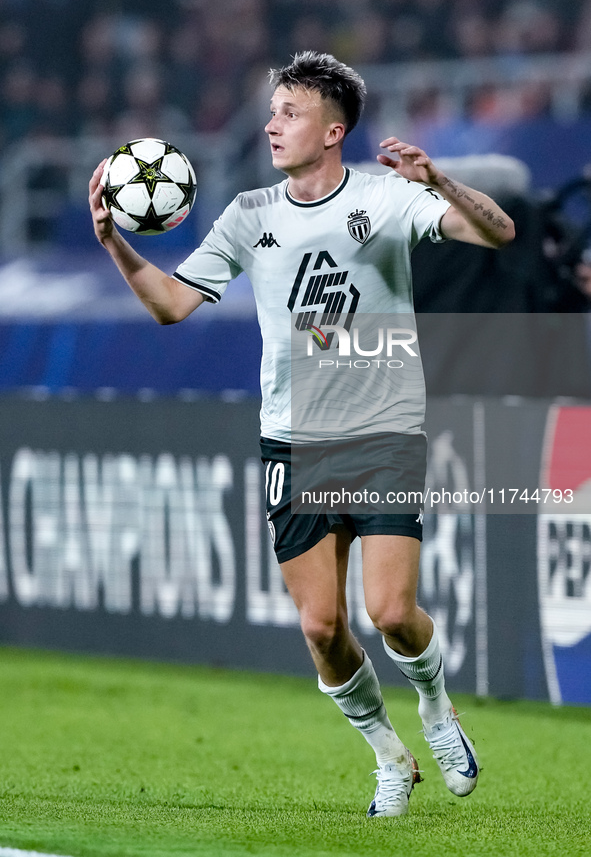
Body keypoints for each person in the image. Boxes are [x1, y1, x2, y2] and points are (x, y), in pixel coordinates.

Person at [88, 51, 515, 818]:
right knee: (321, 626)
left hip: (383, 429)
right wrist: (117, 245)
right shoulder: (249, 215)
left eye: (288, 112)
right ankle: (389, 755)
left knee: (391, 612)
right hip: (294, 441)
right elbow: (170, 306)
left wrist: (439, 182)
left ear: (332, 130)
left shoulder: (388, 199)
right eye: (273, 111)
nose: (271, 124)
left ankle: (435, 708)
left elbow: (499, 232)